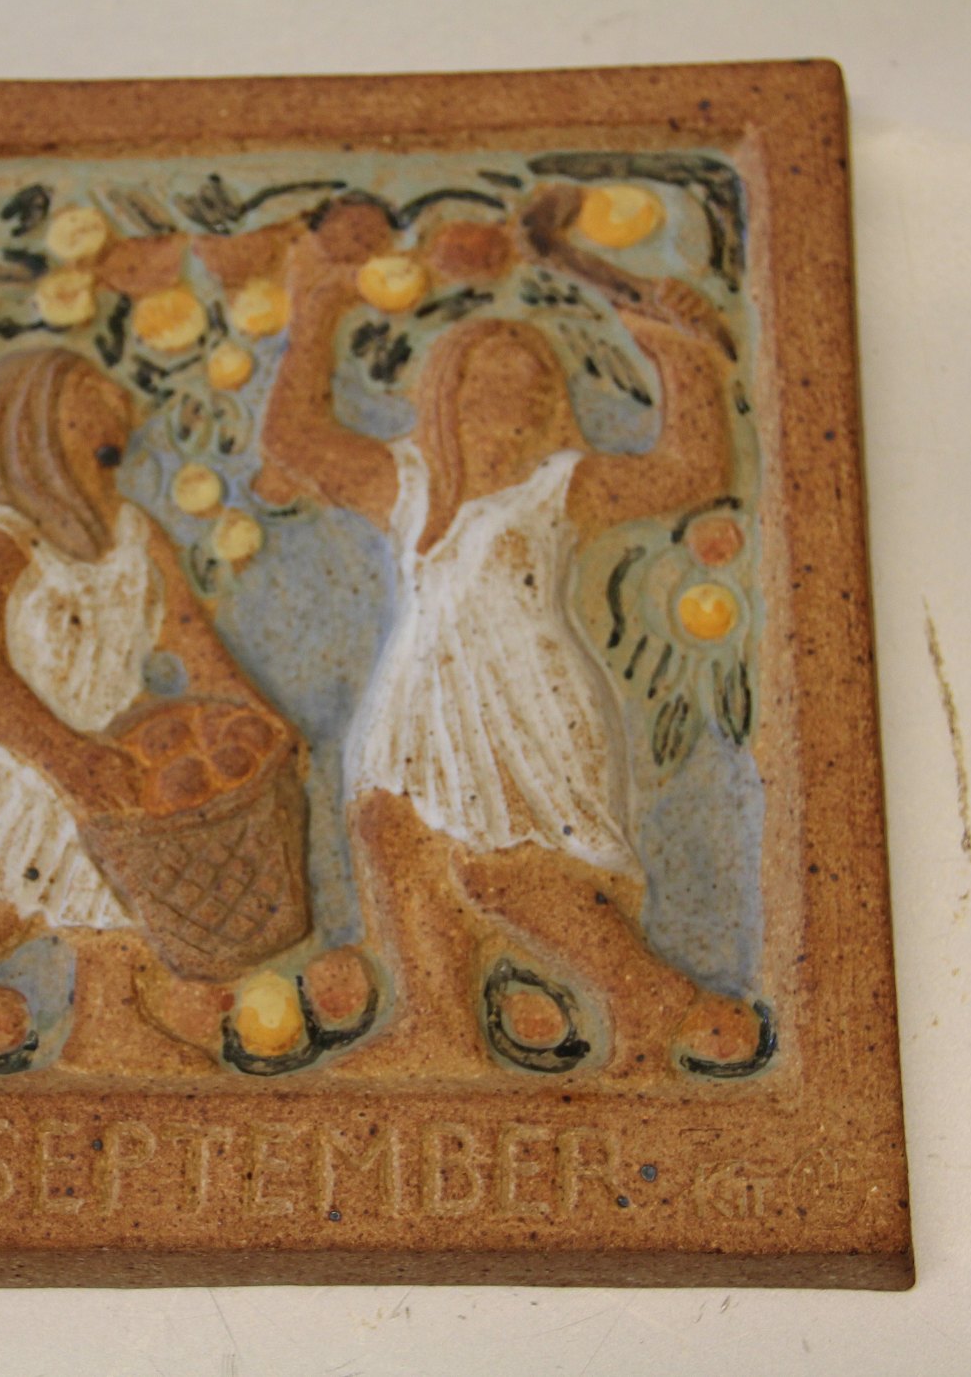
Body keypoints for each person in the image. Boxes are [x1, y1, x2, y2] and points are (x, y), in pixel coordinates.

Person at [256, 199, 773, 1079]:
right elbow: (294, 442)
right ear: (446, 396)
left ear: (549, 408)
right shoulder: (409, 483)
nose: (510, 402)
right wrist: (316, 316)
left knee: (506, 871)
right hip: (420, 693)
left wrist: (681, 354)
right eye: (487, 384)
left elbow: (694, 471)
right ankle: (437, 1027)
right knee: (390, 830)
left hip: (524, 695)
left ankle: (662, 1005)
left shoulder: (559, 487)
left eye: (530, 388)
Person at [0, 345, 372, 1080]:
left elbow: (191, 639)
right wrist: (63, 755)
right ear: (32, 419)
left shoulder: (133, 532)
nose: (115, 396)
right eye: (88, 387)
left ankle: (109, 1024)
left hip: (106, 752)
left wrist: (254, 712)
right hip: (15, 755)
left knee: (119, 893)